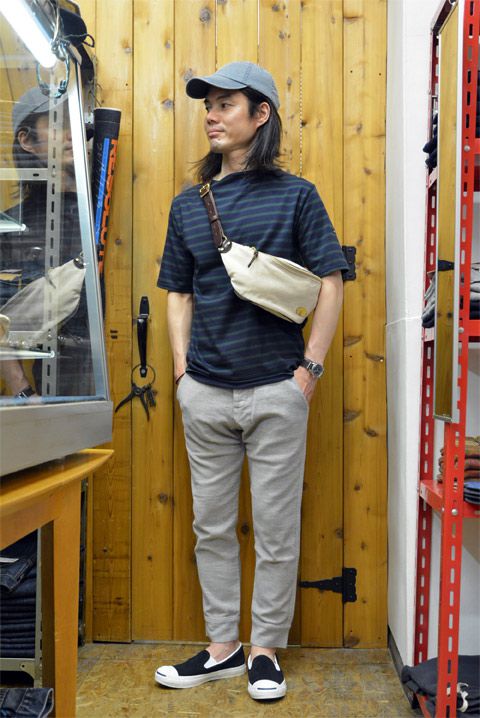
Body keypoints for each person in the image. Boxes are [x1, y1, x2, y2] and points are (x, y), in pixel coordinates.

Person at [155, 62, 348, 701]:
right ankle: (222, 648)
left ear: (260, 114)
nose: (211, 115)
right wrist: (182, 372)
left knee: (275, 530)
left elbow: (330, 281)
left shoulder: (297, 196)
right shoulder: (189, 204)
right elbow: (178, 292)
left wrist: (309, 370)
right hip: (204, 391)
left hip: (276, 390)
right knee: (210, 527)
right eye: (207, 106)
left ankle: (264, 650)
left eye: (225, 104)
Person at [0, 86, 91, 398]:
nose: (70, 134)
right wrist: (24, 393)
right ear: (27, 141)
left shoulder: (97, 211)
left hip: (105, 378)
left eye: (72, 122)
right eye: (56, 123)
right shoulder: (12, 227)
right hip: (54, 387)